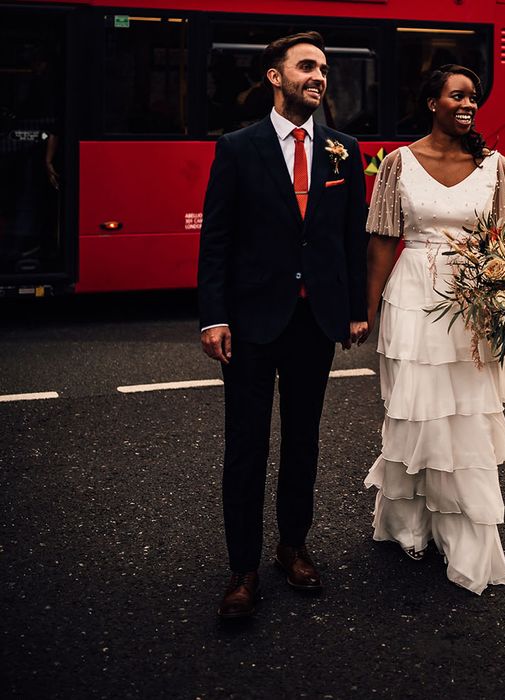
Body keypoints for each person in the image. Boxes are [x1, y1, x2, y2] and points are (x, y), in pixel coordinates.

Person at [197, 31, 368, 619]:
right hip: (250, 321)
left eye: (323, 68)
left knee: (303, 441)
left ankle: (292, 548)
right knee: (245, 446)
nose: (318, 76)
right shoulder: (237, 148)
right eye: (306, 67)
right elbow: (216, 239)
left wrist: (354, 308)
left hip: (312, 320)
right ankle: (242, 569)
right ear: (276, 77)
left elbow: (350, 236)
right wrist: (214, 316)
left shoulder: (345, 149)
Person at [363, 65, 505, 595]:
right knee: (416, 414)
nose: (468, 104)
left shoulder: (495, 166)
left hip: (473, 305)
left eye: (474, 97)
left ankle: (465, 538)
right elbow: (383, 243)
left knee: (465, 420)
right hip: (411, 300)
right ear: (431, 101)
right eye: (457, 95)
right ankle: (409, 524)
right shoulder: (397, 164)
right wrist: (364, 313)